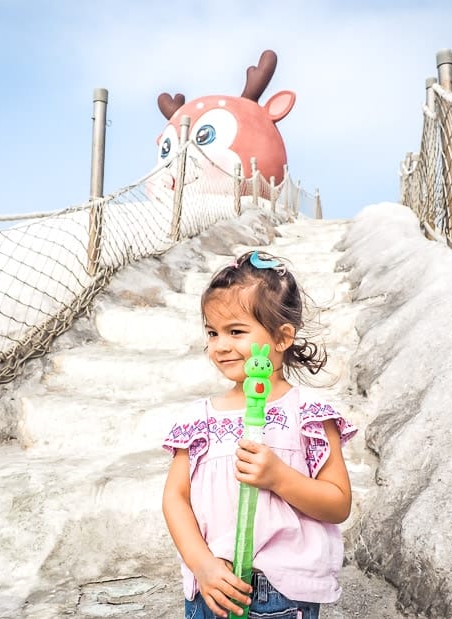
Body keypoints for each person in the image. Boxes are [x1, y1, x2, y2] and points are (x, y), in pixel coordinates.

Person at [162, 250, 357, 619]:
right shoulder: (198, 418)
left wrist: (280, 478)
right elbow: (175, 497)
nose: (220, 345)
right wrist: (201, 564)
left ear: (282, 338)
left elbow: (337, 503)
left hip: (280, 591)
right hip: (213, 587)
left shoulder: (309, 415)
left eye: (235, 331)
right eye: (212, 333)